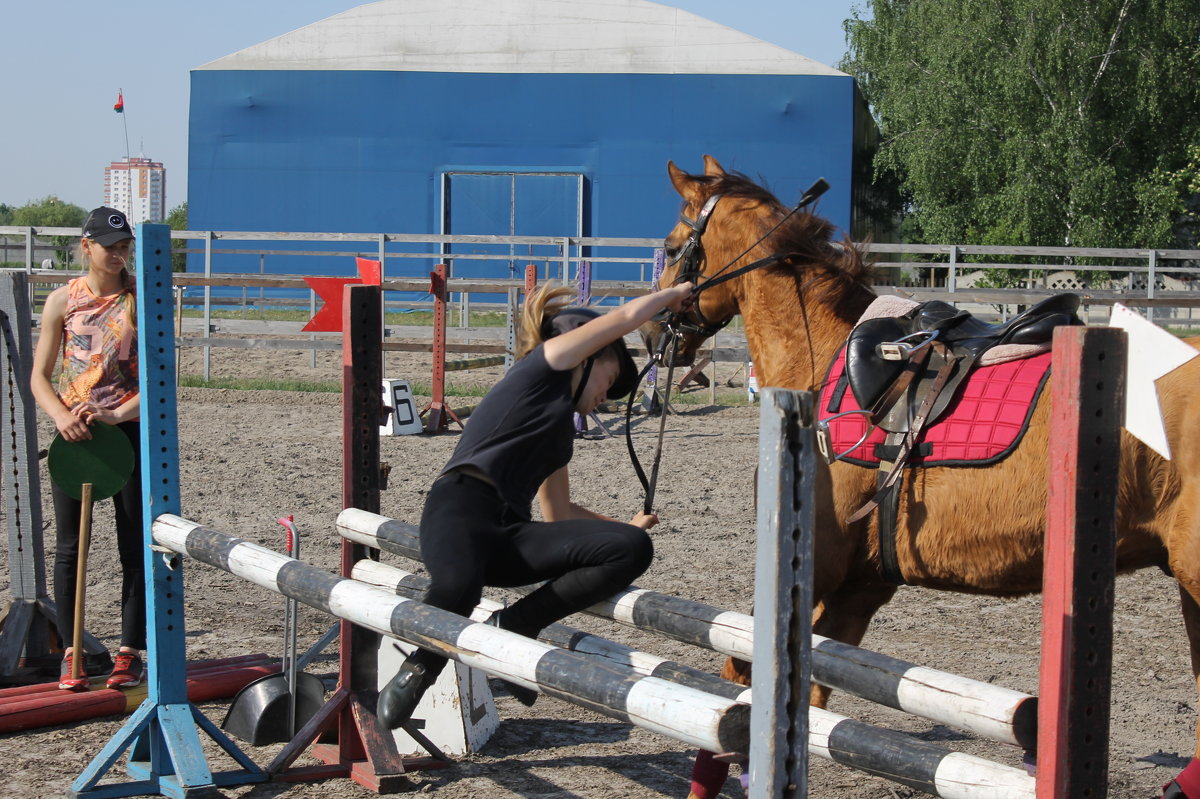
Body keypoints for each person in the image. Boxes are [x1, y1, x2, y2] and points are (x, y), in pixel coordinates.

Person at [378, 280, 695, 728]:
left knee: (631, 548)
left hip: (509, 534)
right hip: (459, 511)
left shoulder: (559, 433)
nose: (608, 393)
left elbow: (559, 516)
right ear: (587, 357)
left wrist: (621, 527)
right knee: (459, 587)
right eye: (610, 376)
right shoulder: (538, 371)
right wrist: (672, 294)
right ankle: (420, 669)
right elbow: (623, 319)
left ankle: (517, 625)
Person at [31, 206, 144, 691]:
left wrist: (118, 415)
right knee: (70, 546)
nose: (118, 255)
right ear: (87, 246)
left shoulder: (143, 298)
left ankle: (130, 651)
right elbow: (39, 376)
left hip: (129, 430)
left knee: (134, 542)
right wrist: (59, 416)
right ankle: (72, 649)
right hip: (74, 435)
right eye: (109, 247)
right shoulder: (62, 301)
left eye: (125, 247)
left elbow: (164, 380)